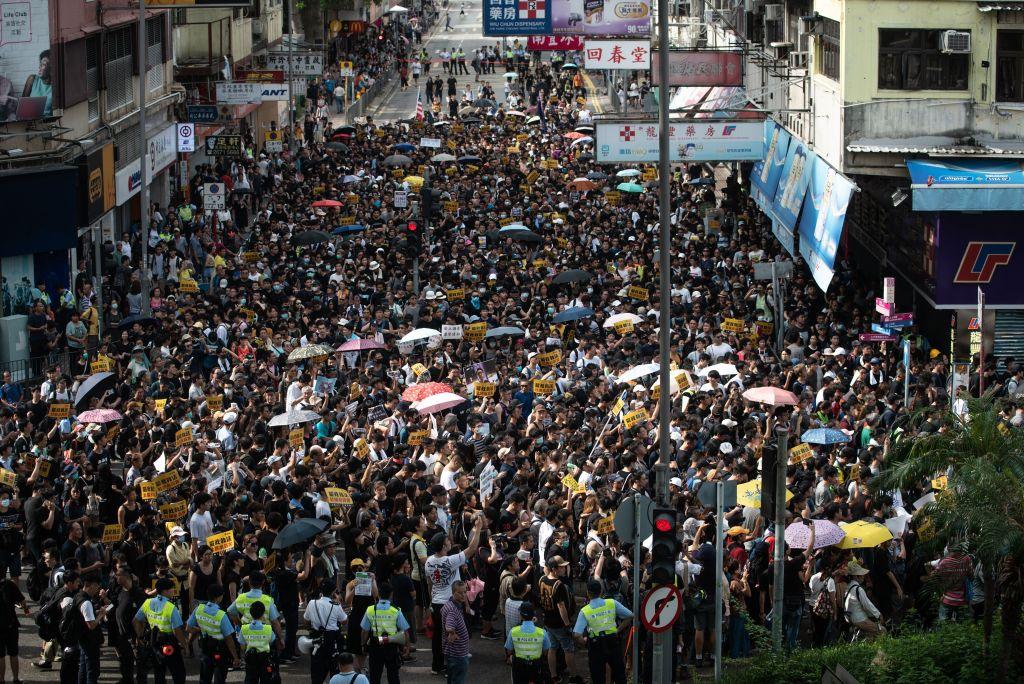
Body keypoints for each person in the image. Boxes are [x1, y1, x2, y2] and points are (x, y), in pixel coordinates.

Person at [424, 516, 483, 675]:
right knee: (451, 635)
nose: (450, 541)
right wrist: (478, 528)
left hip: (436, 602)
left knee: (438, 636)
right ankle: (449, 666)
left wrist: (430, 601)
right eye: (447, 541)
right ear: (444, 546)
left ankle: (437, 665)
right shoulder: (451, 560)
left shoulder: (429, 561)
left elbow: (429, 583)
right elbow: (471, 549)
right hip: (450, 603)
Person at [572, 579, 632, 684]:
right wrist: (618, 630)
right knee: (619, 675)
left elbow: (577, 635)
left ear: (588, 593)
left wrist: (584, 641)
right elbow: (630, 616)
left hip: (595, 645)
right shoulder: (612, 603)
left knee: (598, 677)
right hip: (613, 642)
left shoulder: (585, 610)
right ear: (601, 592)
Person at [133, 577, 188, 684]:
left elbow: (135, 621)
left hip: (154, 642)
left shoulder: (148, 602)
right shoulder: (171, 608)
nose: (173, 591)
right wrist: (185, 646)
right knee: (179, 673)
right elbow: (177, 631)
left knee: (159, 672)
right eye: (172, 589)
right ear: (164, 591)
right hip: (170, 643)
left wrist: (140, 637)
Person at [187, 584, 239, 684]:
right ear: (218, 597)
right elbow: (229, 639)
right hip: (220, 651)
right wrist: (235, 657)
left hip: (206, 649)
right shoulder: (221, 615)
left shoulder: (198, 609)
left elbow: (188, 628)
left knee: (205, 679)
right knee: (219, 679)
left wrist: (200, 630)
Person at [360, 582, 410, 684]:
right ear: (391, 594)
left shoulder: (370, 609)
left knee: (375, 675)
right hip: (391, 644)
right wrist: (407, 647)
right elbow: (405, 631)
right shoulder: (395, 610)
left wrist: (363, 644)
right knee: (393, 676)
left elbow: (364, 631)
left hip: (375, 644)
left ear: (378, 593)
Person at [306, 580, 348, 684]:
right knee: (334, 668)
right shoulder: (336, 606)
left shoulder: (312, 603)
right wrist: (338, 603)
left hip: (316, 639)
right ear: (333, 592)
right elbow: (344, 621)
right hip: (332, 640)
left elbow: (306, 620)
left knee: (316, 669)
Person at [504, 601, 550, 684]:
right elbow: (545, 651)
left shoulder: (513, 631)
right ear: (533, 615)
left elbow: (509, 650)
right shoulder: (542, 632)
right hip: (536, 667)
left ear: (521, 616)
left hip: (519, 667)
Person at [843, 561, 885, 637]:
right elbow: (867, 605)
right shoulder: (858, 589)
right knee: (882, 630)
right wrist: (878, 615)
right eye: (861, 575)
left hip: (849, 618)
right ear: (856, 576)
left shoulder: (848, 587)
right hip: (859, 619)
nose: (863, 577)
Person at [239, 600, 276, 684]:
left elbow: (242, 646)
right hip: (264, 659)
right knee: (266, 680)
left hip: (250, 659)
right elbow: (271, 641)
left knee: (250, 679)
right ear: (263, 614)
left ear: (251, 614)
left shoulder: (244, 629)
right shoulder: (268, 628)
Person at [441, 580, 470, 684]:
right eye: (460, 593)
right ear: (453, 593)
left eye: (465, 592)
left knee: (452, 679)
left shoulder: (450, 604)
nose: (463, 595)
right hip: (457, 654)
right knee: (458, 680)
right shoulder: (452, 610)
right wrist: (452, 633)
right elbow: (449, 626)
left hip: (452, 653)